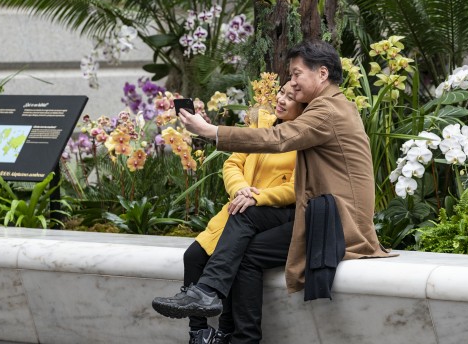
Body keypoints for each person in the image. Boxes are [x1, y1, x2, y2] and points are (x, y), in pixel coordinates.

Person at [152, 39, 394, 344]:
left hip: (338, 226)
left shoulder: (328, 110)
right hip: (321, 214)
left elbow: (279, 138)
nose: (290, 83)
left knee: (247, 236)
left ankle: (221, 313)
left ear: (322, 73)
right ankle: (217, 309)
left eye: (296, 74)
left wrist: (210, 132)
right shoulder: (329, 106)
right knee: (246, 229)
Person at [181, 82, 305, 344]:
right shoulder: (261, 124)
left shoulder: (303, 138)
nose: (281, 99)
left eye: (290, 97)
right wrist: (241, 191)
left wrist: (256, 197)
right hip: (240, 206)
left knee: (236, 260)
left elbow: (296, 188)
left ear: (303, 105)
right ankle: (199, 332)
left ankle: (225, 331)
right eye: (281, 92)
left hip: (267, 214)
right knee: (193, 256)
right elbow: (233, 163)